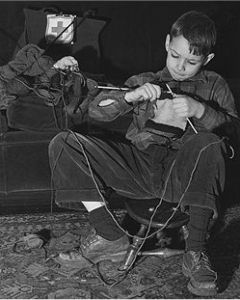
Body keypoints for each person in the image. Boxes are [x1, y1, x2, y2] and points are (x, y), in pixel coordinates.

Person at [48, 10, 239, 297]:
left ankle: (196, 253)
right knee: (64, 143)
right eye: (175, 56)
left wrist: (201, 110)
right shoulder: (145, 80)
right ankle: (108, 234)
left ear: (207, 59)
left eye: (192, 61)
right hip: (139, 166)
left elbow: (234, 132)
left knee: (210, 144)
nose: (181, 67)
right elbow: (96, 111)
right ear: (166, 44)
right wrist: (129, 97)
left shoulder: (214, 85)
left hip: (184, 174)